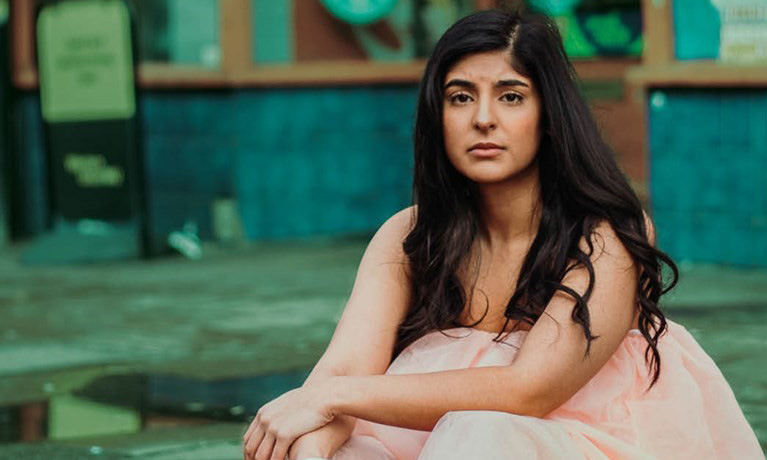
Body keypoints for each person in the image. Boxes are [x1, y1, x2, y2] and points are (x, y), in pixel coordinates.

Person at [242, 8, 764, 460]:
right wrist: (311, 439)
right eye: (460, 97)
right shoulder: (409, 235)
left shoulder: (606, 235)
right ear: (437, 115)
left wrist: (330, 398)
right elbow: (342, 371)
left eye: (511, 97)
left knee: (481, 429)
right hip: (432, 443)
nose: (484, 119)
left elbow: (528, 390)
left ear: (549, 115)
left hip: (586, 442)